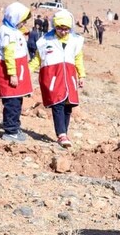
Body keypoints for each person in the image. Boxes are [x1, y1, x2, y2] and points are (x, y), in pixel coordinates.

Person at [28, 9, 85, 148]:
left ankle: (63, 132)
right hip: (53, 77)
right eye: (60, 28)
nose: (63, 32)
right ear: (55, 26)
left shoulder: (75, 41)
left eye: (66, 29)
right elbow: (37, 59)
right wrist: (27, 72)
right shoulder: (45, 41)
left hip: (69, 77)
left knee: (68, 106)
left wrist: (81, 75)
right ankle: (61, 134)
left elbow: (78, 59)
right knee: (57, 104)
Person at [0, 2, 33, 143]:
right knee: (12, 103)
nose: (23, 24)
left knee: (17, 100)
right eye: (22, 21)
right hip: (11, 72)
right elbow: (9, 55)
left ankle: (15, 127)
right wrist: (12, 73)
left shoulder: (12, 30)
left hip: (17, 70)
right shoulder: (7, 33)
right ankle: (10, 131)